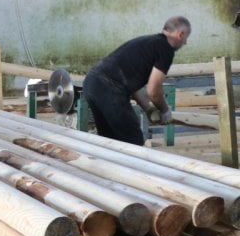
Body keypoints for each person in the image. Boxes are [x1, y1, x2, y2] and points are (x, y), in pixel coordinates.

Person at [82, 16, 191, 145]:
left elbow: (131, 85)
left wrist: (148, 109)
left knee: (110, 141)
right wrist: (165, 111)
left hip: (92, 83)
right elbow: (153, 91)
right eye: (186, 38)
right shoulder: (165, 49)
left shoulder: (147, 42)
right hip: (110, 89)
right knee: (133, 142)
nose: (185, 43)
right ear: (180, 34)